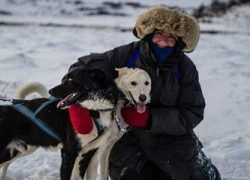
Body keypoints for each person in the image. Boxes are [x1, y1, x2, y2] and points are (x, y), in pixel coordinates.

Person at [51, 5, 221, 180]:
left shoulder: (185, 68)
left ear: (179, 42)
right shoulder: (126, 55)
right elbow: (83, 68)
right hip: (123, 138)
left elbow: (192, 112)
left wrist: (150, 118)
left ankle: (201, 165)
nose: (163, 41)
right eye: (159, 34)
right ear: (149, 33)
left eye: (171, 37)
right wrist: (78, 100)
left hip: (170, 139)